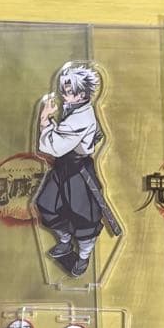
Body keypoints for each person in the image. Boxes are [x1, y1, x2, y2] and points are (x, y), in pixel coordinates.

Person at [35, 64, 111, 278]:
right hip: (63, 168)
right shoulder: (75, 109)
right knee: (47, 204)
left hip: (78, 173)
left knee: (83, 217)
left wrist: (44, 119)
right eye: (64, 90)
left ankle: (84, 257)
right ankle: (65, 241)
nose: (63, 95)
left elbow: (53, 147)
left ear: (82, 94)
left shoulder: (81, 118)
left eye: (68, 92)